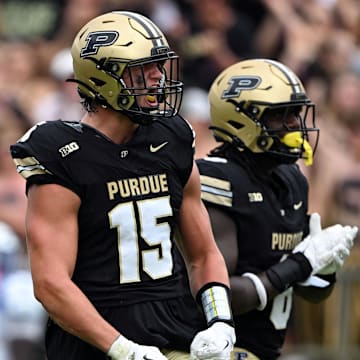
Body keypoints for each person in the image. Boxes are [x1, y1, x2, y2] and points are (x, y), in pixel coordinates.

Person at [9, 11, 236, 360]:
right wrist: (122, 348)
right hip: (94, 345)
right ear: (102, 77)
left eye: (159, 66)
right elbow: (51, 284)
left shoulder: (171, 137)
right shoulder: (62, 153)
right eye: (143, 69)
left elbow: (204, 254)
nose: (158, 77)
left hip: (176, 332)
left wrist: (220, 321)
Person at [195, 58, 358, 360]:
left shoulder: (291, 179)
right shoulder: (217, 180)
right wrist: (299, 265)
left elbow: (310, 290)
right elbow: (217, 294)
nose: (295, 123)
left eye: (296, 112)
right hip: (215, 349)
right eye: (280, 115)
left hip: (266, 348)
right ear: (240, 120)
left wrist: (323, 266)